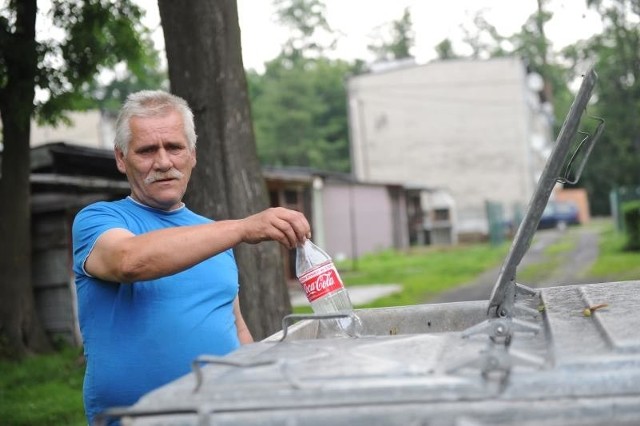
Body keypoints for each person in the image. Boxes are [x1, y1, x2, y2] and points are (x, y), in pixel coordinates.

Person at [72, 90, 311, 425]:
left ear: (193, 154)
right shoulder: (97, 220)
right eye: (146, 150)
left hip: (222, 416)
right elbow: (128, 261)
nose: (164, 162)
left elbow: (235, 326)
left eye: (174, 147)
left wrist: (262, 391)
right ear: (121, 158)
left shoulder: (214, 235)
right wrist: (242, 228)